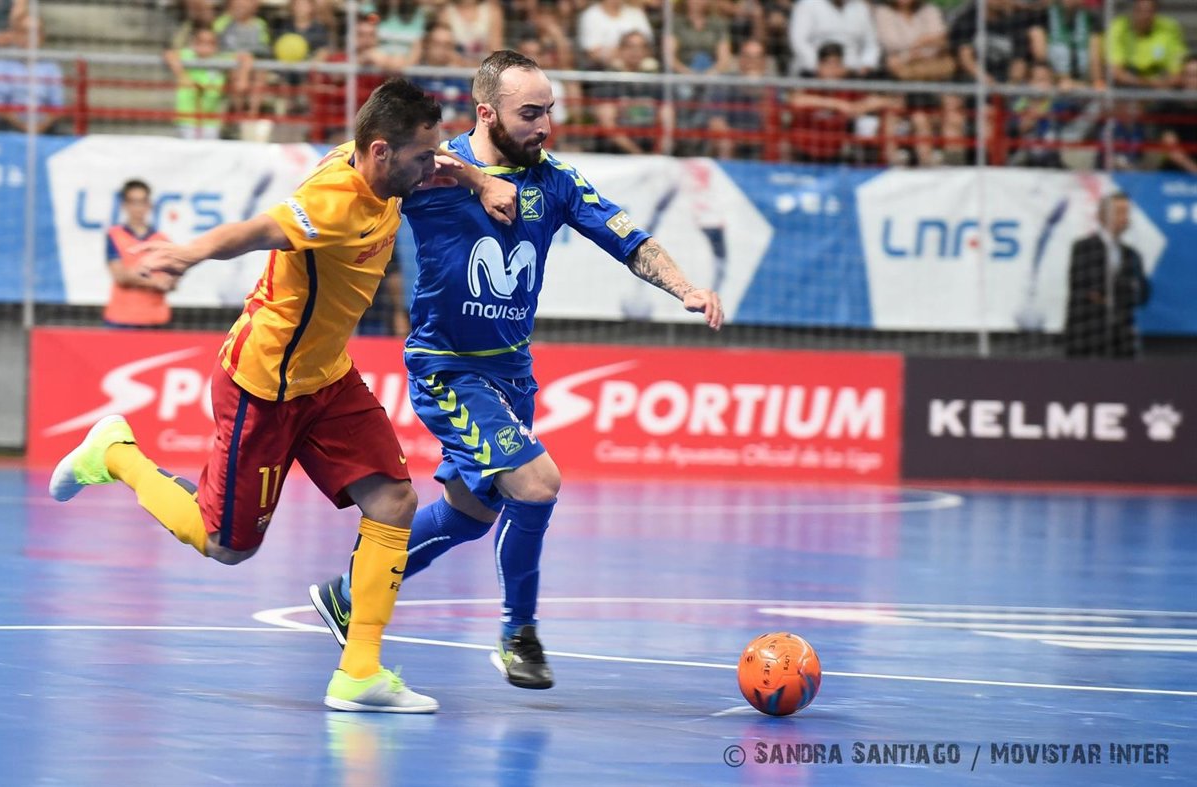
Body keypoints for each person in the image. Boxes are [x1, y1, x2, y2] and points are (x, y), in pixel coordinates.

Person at [48, 78, 514, 713]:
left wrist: (479, 180)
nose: (432, 165)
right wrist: (189, 253)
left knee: (395, 499)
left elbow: (443, 165)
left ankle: (359, 674)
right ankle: (116, 453)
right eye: (420, 157)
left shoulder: (390, 169)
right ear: (380, 152)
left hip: (327, 377)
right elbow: (258, 229)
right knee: (227, 546)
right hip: (264, 384)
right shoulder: (332, 198)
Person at [309, 50, 723, 692]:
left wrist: (686, 289)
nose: (544, 125)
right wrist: (474, 180)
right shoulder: (434, 168)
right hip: (447, 367)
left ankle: (344, 597)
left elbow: (630, 239)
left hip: (511, 374)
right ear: (487, 113)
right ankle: (518, 633)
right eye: (530, 113)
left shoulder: (556, 182)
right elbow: (353, 160)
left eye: (549, 112)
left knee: (471, 513)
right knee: (536, 483)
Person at [1065, 192, 1150, 359]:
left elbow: (1142, 294)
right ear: (1103, 215)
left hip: (1122, 341)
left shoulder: (1132, 255)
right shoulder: (1084, 248)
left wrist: (1119, 298)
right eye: (1119, 211)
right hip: (1087, 336)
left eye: (1126, 212)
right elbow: (1085, 288)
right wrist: (1114, 298)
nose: (1124, 217)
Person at [103, 179, 173, 328]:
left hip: (156, 319)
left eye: (142, 202)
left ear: (149, 204)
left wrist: (135, 275)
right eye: (133, 202)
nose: (138, 208)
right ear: (124, 205)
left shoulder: (162, 239)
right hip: (121, 318)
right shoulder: (114, 235)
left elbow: (170, 281)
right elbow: (121, 276)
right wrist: (155, 281)